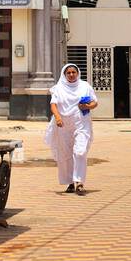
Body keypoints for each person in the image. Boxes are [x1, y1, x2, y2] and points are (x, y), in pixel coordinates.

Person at [45, 63, 98, 194]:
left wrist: (87, 106)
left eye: (73, 72)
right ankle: (69, 182)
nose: (71, 75)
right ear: (64, 74)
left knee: (80, 151)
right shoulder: (58, 88)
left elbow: (94, 102)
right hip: (63, 125)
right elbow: (53, 104)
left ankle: (79, 181)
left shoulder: (85, 86)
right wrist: (57, 117)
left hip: (81, 123)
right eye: (68, 73)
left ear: (78, 73)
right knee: (66, 154)